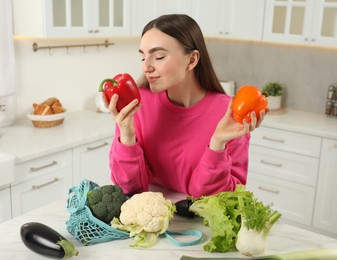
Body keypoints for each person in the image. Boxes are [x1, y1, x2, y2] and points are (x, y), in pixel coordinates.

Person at [103, 14, 266, 198]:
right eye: (143, 58)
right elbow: (130, 190)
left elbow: (226, 200)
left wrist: (217, 145)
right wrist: (127, 135)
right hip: (152, 222)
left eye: (158, 56)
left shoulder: (229, 114)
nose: (146, 67)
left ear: (192, 60)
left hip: (201, 225)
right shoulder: (138, 104)